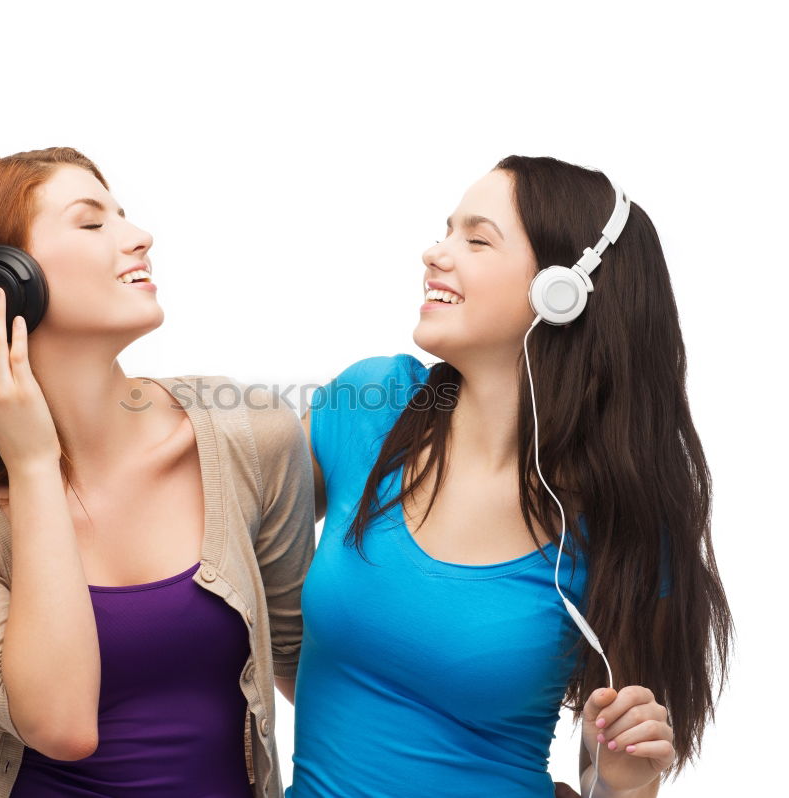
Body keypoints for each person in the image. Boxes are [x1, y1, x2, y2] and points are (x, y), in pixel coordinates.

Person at [0, 147, 314, 798]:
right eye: (91, 222)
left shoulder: (252, 435)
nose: (139, 236)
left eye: (123, 215)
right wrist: (32, 462)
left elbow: (316, 672)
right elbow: (60, 725)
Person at [287, 156, 733, 797]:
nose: (435, 254)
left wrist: (626, 785)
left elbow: (608, 772)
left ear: (563, 291)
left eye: (476, 238)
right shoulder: (372, 404)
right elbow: (225, 544)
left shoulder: (620, 523)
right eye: (446, 230)